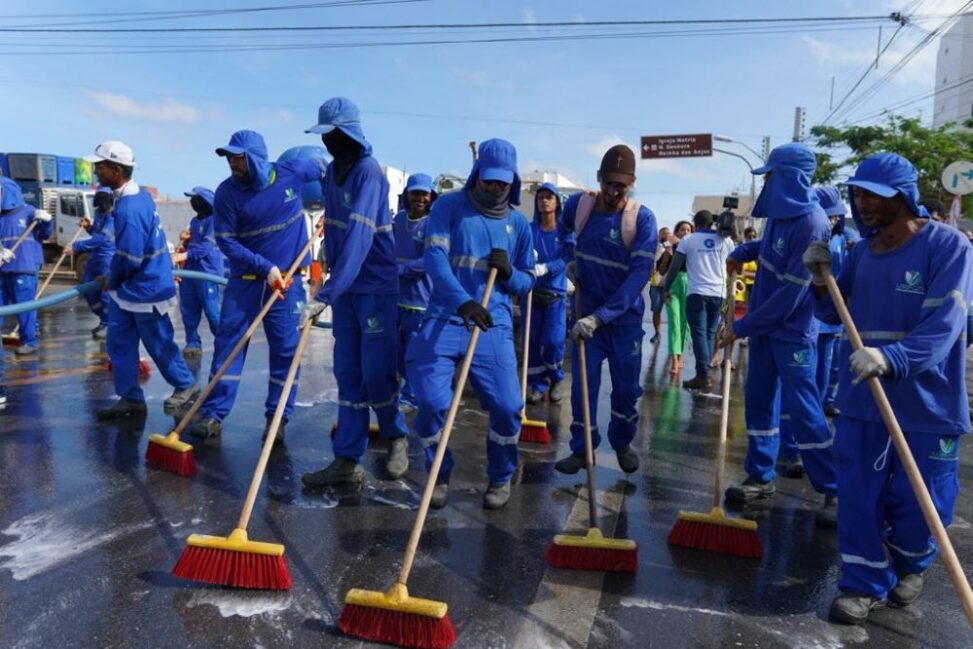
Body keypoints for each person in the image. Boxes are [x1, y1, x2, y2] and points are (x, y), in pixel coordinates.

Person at [804, 153, 973, 625]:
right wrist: (821, 283)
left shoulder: (948, 246)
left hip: (929, 402)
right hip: (863, 400)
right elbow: (835, 316)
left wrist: (893, 358)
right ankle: (862, 582)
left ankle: (910, 561)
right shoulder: (860, 253)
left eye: (873, 194)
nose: (862, 203)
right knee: (858, 493)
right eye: (857, 194)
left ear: (903, 196)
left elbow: (945, 325)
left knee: (924, 501)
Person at [404, 138, 534, 510]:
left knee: (509, 407)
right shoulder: (448, 207)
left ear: (513, 181)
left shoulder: (519, 225)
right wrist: (463, 301)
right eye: (489, 180)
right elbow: (434, 259)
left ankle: (500, 476)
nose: (495, 188)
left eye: (502, 182)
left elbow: (527, 281)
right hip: (447, 315)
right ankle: (438, 473)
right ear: (477, 175)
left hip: (492, 322)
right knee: (429, 403)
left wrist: (510, 273)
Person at [722, 142, 837, 525]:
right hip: (765, 329)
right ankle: (760, 476)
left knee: (804, 411)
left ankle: (833, 489)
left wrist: (739, 327)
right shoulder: (779, 214)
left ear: (790, 177)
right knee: (759, 401)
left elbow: (790, 297)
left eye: (771, 174)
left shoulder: (814, 223)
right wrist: (746, 251)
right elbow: (770, 249)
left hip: (792, 332)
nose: (766, 181)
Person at [189, 131, 326, 445]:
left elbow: (329, 170)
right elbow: (227, 242)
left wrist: (335, 207)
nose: (233, 164)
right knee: (228, 349)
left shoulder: (292, 172)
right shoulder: (227, 194)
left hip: (287, 284)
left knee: (286, 352)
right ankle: (213, 413)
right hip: (246, 283)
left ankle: (277, 418)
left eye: (239, 158)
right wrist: (266, 269)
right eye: (230, 158)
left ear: (257, 158)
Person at [299, 97, 410, 486]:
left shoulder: (369, 173)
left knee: (376, 373)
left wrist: (324, 295)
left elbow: (361, 240)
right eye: (324, 134)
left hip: (374, 285)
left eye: (333, 133)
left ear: (349, 133)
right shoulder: (332, 173)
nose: (329, 140)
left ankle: (396, 436)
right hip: (345, 287)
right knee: (347, 373)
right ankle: (347, 458)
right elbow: (334, 228)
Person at [554, 144, 658, 476]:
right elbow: (562, 233)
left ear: (632, 182)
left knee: (626, 389)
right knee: (583, 388)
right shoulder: (578, 205)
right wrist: (569, 258)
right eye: (608, 182)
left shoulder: (641, 219)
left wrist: (601, 317)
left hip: (622, 320)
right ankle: (582, 447)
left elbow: (639, 276)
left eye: (621, 185)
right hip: (584, 309)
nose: (613, 190)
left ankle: (622, 441)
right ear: (599, 178)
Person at [85, 141, 199, 419]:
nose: (96, 171)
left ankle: (186, 386)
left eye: (100, 166)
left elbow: (131, 258)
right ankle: (131, 398)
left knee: (159, 343)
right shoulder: (135, 196)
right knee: (120, 345)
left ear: (117, 169)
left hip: (147, 288)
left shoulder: (130, 208)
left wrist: (110, 279)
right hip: (127, 289)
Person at [663, 210, 735, 391]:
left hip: (697, 292)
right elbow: (735, 262)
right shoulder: (726, 240)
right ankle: (705, 372)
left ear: (696, 223)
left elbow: (674, 267)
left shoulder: (688, 240)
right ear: (712, 223)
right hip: (718, 293)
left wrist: (666, 287)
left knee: (699, 333)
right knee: (710, 333)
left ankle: (703, 375)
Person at [394, 172, 436, 413]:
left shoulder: (433, 224)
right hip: (397, 298)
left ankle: (411, 396)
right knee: (397, 351)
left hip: (421, 301)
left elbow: (430, 258)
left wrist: (403, 269)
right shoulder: (398, 221)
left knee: (415, 352)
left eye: (424, 193)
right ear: (407, 195)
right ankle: (405, 388)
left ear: (431, 197)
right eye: (415, 193)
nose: (419, 198)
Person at [526, 181, 571, 404]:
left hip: (555, 295)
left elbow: (567, 257)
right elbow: (518, 254)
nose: (544, 201)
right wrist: (526, 260)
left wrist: (546, 267)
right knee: (532, 342)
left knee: (553, 341)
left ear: (556, 202)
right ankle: (537, 385)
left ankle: (557, 377)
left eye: (548, 197)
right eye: (540, 197)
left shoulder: (563, 232)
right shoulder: (529, 230)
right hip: (531, 294)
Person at [0, 177, 53, 356]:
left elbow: (45, 234)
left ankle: (29, 341)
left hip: (23, 267)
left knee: (25, 307)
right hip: (2, 269)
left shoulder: (29, 212)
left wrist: (46, 221)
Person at [175, 187, 223, 357]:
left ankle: (225, 342)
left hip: (207, 274)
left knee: (212, 311)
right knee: (188, 309)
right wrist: (185, 244)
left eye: (196, 199)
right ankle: (193, 342)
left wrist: (182, 255)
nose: (193, 203)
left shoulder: (214, 221)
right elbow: (193, 246)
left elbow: (205, 248)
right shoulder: (194, 222)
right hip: (191, 272)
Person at [73, 187, 115, 340]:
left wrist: (76, 246)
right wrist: (88, 227)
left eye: (104, 197)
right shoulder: (98, 214)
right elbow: (96, 234)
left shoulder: (113, 218)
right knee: (89, 292)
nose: (102, 200)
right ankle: (103, 320)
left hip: (107, 260)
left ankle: (108, 324)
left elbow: (102, 239)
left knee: (105, 295)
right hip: (94, 259)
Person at [662, 220, 693, 374]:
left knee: (685, 323)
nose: (685, 232)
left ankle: (680, 355)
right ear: (677, 231)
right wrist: (668, 252)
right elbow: (661, 269)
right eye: (682, 229)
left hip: (690, 283)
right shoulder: (671, 245)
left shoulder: (694, 246)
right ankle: (674, 359)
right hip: (673, 284)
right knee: (674, 321)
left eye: (688, 230)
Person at [647, 226, 671, 345]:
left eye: (667, 234)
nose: (665, 236)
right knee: (656, 310)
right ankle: (657, 333)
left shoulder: (673, 248)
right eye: (663, 234)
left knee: (673, 311)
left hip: (671, 284)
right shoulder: (654, 247)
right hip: (656, 283)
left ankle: (675, 336)